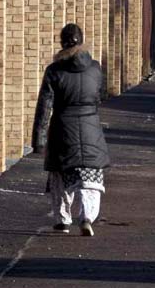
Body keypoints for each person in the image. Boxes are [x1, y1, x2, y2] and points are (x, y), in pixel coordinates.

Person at [31, 22, 110, 236]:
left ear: (61, 43)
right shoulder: (95, 68)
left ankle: (62, 220)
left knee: (60, 175)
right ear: (82, 41)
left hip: (62, 128)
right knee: (89, 175)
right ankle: (86, 217)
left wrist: (38, 140)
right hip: (90, 127)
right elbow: (98, 97)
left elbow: (45, 106)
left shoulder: (54, 71)